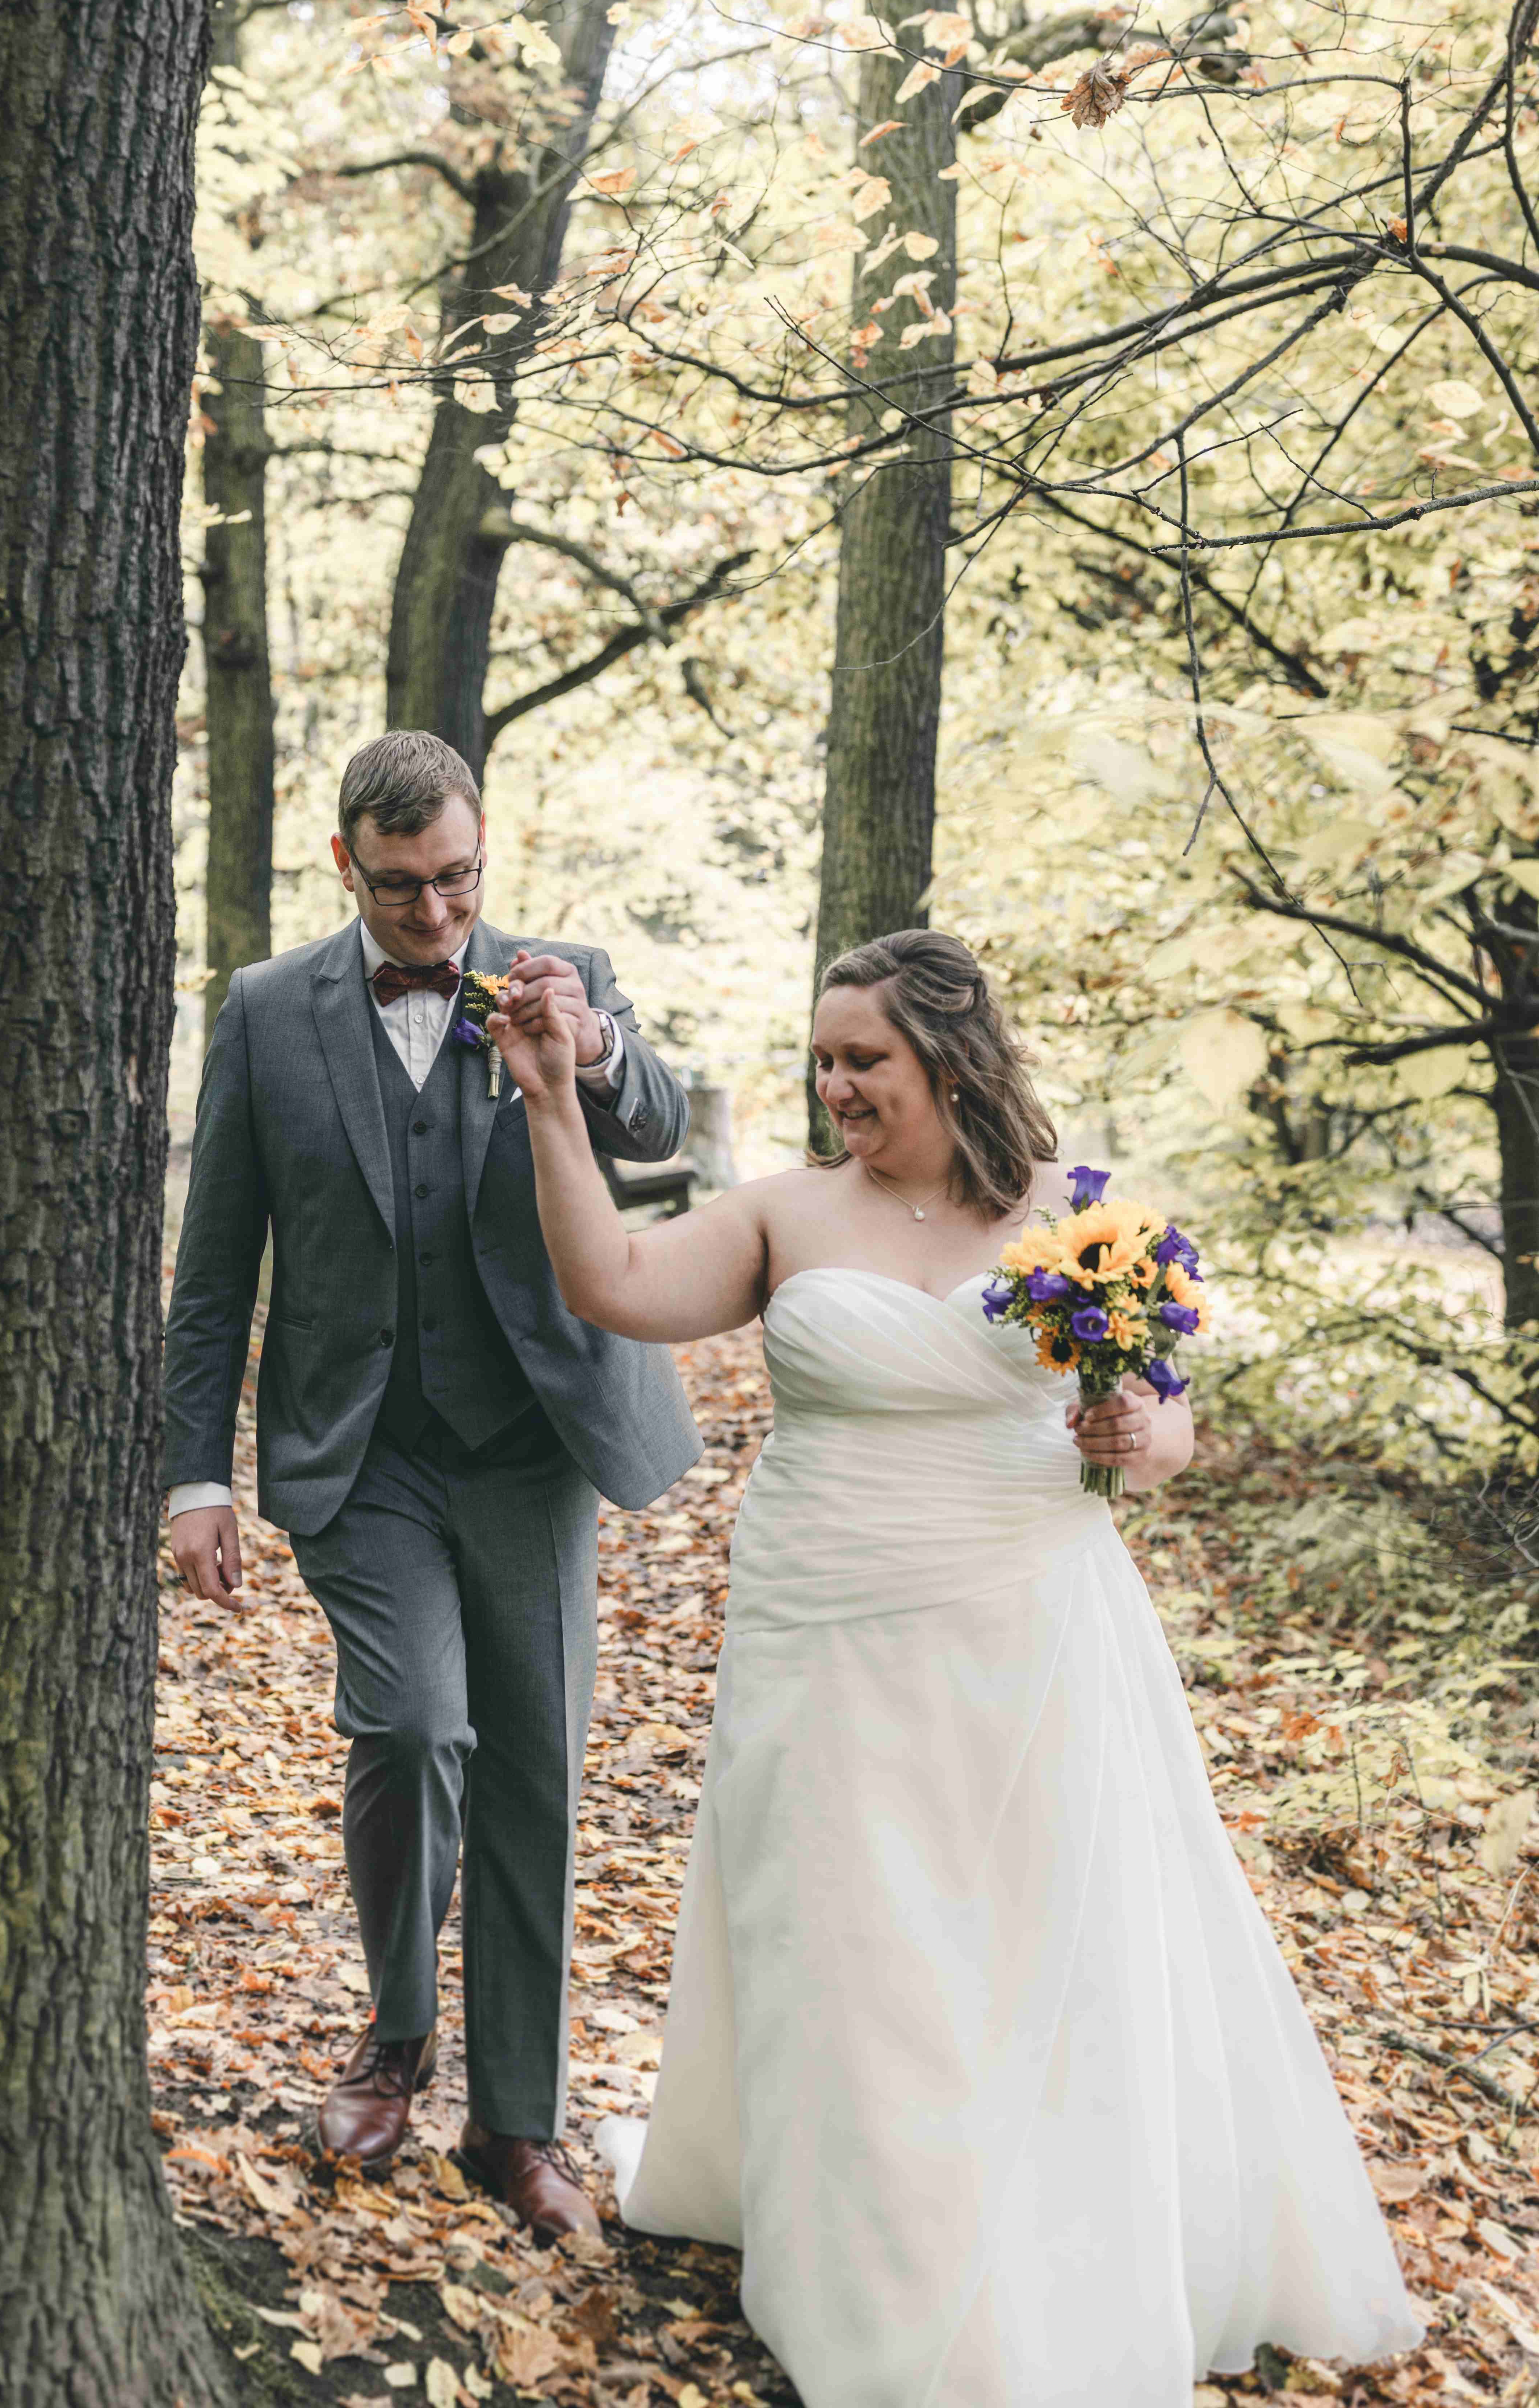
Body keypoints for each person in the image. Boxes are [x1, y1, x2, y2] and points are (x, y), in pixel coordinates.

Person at [487, 928, 1422, 2405]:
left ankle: (1049, 2234)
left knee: (1030, 1930)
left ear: (946, 1059)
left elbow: (1166, 1425)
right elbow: (610, 1282)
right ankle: (875, 2258)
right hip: (824, 1622)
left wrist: (1142, 1440)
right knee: (853, 1940)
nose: (835, 1086)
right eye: (823, 1061)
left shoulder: (1080, 1224)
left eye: (864, 1060)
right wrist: (550, 1098)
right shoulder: (784, 1214)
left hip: (1029, 1616)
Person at [163, 731, 700, 2238]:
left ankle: (515, 2123)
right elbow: (212, 1276)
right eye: (403, 888)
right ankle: (393, 2041)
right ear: (347, 865)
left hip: (532, 1442)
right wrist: (192, 1476)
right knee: (413, 1722)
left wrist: (585, 1048)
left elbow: (654, 1125)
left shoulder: (555, 972)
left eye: (459, 878)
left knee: (534, 1768)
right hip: (359, 1448)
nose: (439, 914)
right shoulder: (267, 1016)